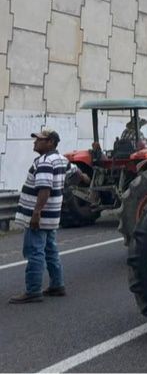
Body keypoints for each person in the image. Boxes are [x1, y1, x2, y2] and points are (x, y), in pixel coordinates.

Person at [9, 129, 69, 304]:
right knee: (50, 250)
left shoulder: (44, 161)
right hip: (52, 215)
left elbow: (44, 189)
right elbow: (76, 174)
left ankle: (33, 291)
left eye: (39, 140)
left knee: (34, 251)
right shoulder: (62, 159)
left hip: (40, 216)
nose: (35, 143)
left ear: (50, 142)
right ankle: (57, 285)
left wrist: (36, 213)